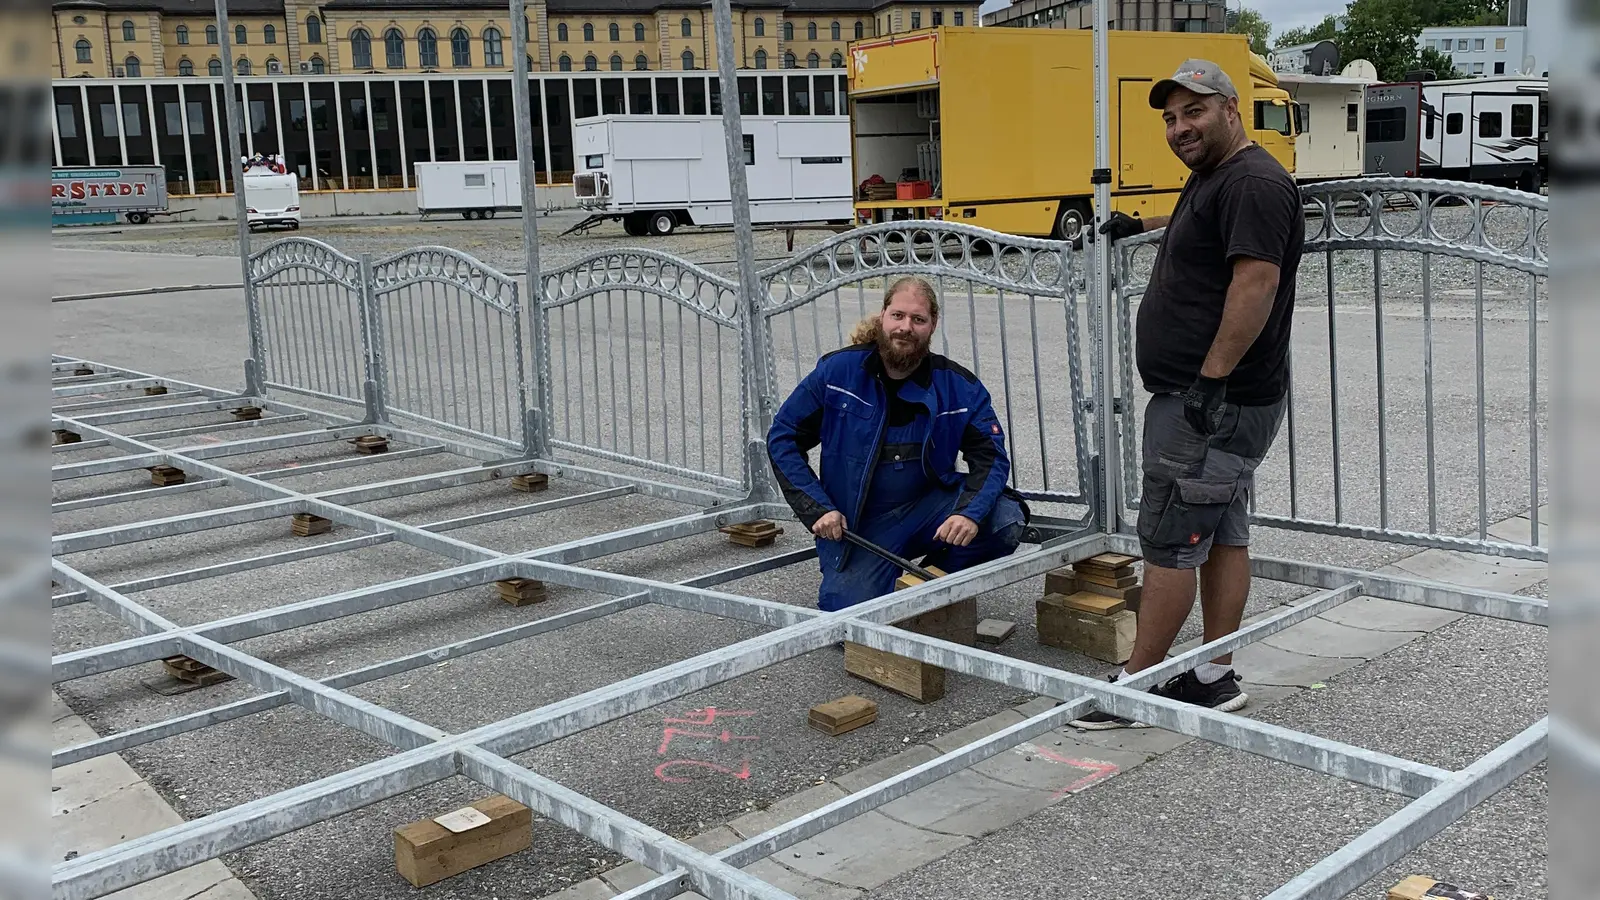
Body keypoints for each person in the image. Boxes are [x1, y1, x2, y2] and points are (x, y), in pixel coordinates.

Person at [1070, 59, 1304, 729]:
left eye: (1193, 111)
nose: (1180, 127)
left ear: (1232, 108)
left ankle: (1135, 686)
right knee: (1221, 531)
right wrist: (1138, 227)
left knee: (1172, 534)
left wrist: (1210, 381)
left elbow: (1254, 282)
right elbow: (1207, 249)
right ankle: (1215, 674)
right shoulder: (1219, 178)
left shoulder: (1254, 181)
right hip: (1217, 398)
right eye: (1171, 118)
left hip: (1211, 402)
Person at [767, 275, 1028, 612]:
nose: (906, 327)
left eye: (918, 319)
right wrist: (817, 507)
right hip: (859, 524)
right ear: (883, 316)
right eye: (898, 316)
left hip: (928, 509)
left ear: (933, 325)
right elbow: (783, 437)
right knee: (846, 618)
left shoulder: (960, 387)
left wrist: (969, 514)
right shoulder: (838, 373)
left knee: (1004, 520)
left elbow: (991, 459)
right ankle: (879, 581)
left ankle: (929, 582)